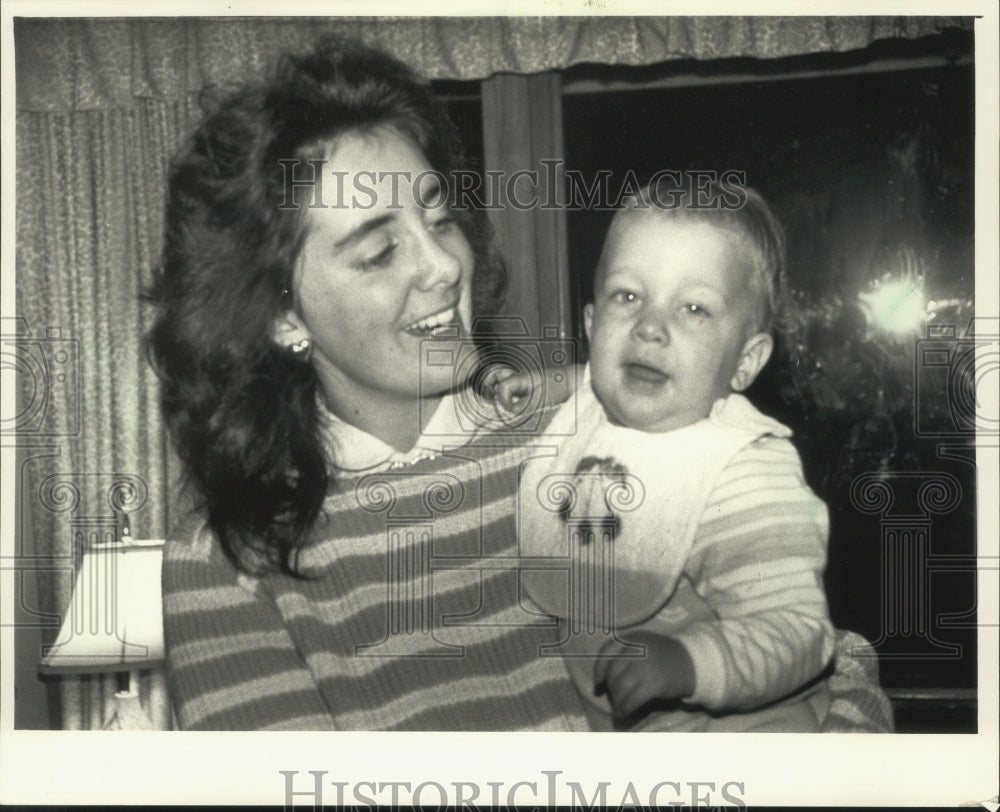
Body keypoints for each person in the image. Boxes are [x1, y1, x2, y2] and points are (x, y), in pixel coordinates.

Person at [146, 36, 893, 732]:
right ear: (281, 315)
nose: (445, 265)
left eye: (440, 220)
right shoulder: (223, 567)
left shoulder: (591, 435)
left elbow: (820, 652)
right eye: (379, 253)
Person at [517, 176, 835, 732]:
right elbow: (588, 380)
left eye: (693, 308)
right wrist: (541, 385)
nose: (649, 327)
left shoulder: (744, 472)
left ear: (745, 361)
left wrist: (689, 662)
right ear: (591, 325)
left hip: (744, 734)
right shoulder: (584, 415)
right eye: (627, 296)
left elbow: (797, 630)